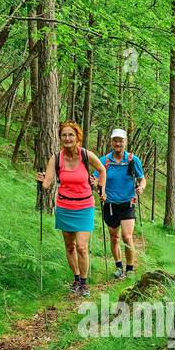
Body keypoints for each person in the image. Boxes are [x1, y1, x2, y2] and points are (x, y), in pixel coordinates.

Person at [37, 122, 106, 297]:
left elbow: (102, 170)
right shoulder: (56, 158)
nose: (67, 138)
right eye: (64, 135)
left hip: (84, 207)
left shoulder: (86, 155)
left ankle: (84, 283)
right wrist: (41, 180)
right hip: (64, 207)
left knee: (82, 247)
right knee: (70, 246)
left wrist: (100, 186)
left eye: (71, 135)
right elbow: (47, 184)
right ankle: (76, 279)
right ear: (60, 138)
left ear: (77, 137)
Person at [100, 128, 145, 280]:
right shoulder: (104, 161)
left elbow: (142, 178)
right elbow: (97, 179)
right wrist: (98, 187)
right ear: (111, 142)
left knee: (127, 236)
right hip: (110, 205)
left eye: (121, 140)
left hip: (127, 203)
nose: (118, 143)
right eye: (115, 140)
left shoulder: (132, 159)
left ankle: (130, 269)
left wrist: (141, 187)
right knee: (114, 238)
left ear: (125, 142)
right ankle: (119, 267)